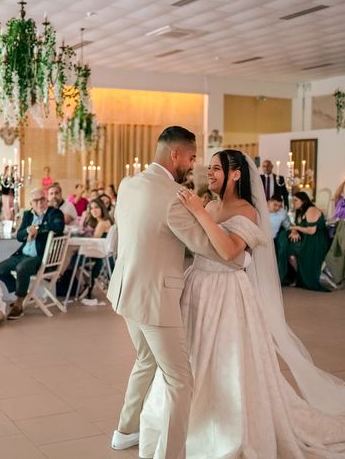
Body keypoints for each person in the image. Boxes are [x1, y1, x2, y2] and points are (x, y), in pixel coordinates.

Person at [138, 149, 345, 458]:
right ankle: (182, 422)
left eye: (216, 169)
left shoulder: (246, 210)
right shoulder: (209, 203)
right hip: (198, 288)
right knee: (189, 360)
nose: (208, 173)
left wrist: (199, 213)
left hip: (225, 294)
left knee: (225, 361)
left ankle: (224, 428)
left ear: (235, 174)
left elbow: (229, 252)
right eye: (207, 167)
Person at [107, 126, 221, 459]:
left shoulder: (128, 185)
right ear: (175, 154)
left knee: (145, 360)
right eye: (191, 156)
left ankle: (124, 431)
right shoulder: (172, 196)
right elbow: (203, 246)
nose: (193, 164)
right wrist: (237, 248)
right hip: (155, 298)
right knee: (180, 380)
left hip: (125, 291)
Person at [0, 188, 64, 321]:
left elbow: (58, 227)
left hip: (40, 257)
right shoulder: (27, 215)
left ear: (46, 200)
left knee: (22, 269)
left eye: (42, 199)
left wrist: (37, 228)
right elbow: (20, 236)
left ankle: (19, 303)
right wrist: (27, 230)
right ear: (31, 203)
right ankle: (22, 293)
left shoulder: (54, 213)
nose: (39, 203)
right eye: (35, 200)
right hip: (23, 254)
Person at [276, 191, 330, 291]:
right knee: (286, 244)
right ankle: (298, 277)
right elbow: (300, 227)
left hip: (316, 242)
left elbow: (311, 231)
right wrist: (294, 230)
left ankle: (300, 277)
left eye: (296, 200)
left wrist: (295, 227)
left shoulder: (311, 210)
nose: (293, 203)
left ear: (303, 200)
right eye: (292, 201)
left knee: (285, 242)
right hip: (307, 240)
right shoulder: (301, 212)